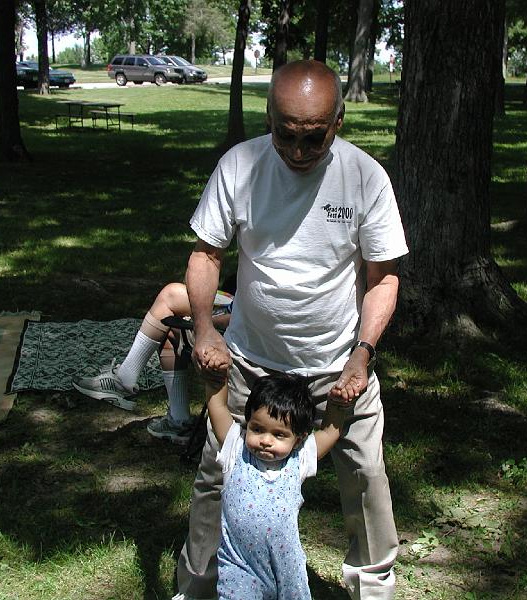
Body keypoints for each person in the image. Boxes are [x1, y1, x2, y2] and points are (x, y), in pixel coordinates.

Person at [174, 60, 409, 600]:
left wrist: (363, 353)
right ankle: (200, 587)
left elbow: (384, 278)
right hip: (251, 363)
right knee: (217, 478)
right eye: (287, 135)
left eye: (314, 138)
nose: (299, 151)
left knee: (366, 481)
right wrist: (206, 329)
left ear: (339, 121)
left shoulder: (366, 178)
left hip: (337, 365)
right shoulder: (240, 166)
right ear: (269, 117)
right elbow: (207, 254)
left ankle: (372, 589)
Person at [206, 373, 345, 599]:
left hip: (287, 569)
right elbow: (218, 407)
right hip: (240, 566)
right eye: (257, 429)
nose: (266, 440)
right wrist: (216, 379)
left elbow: (330, 431)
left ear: (298, 439)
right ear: (247, 423)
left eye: (279, 434)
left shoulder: (298, 460)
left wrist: (339, 405)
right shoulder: (235, 450)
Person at [71, 281, 233, 443]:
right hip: (234, 314)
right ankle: (178, 421)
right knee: (166, 322)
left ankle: (124, 380)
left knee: (169, 296)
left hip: (232, 337)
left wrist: (204, 323)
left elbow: (241, 319)